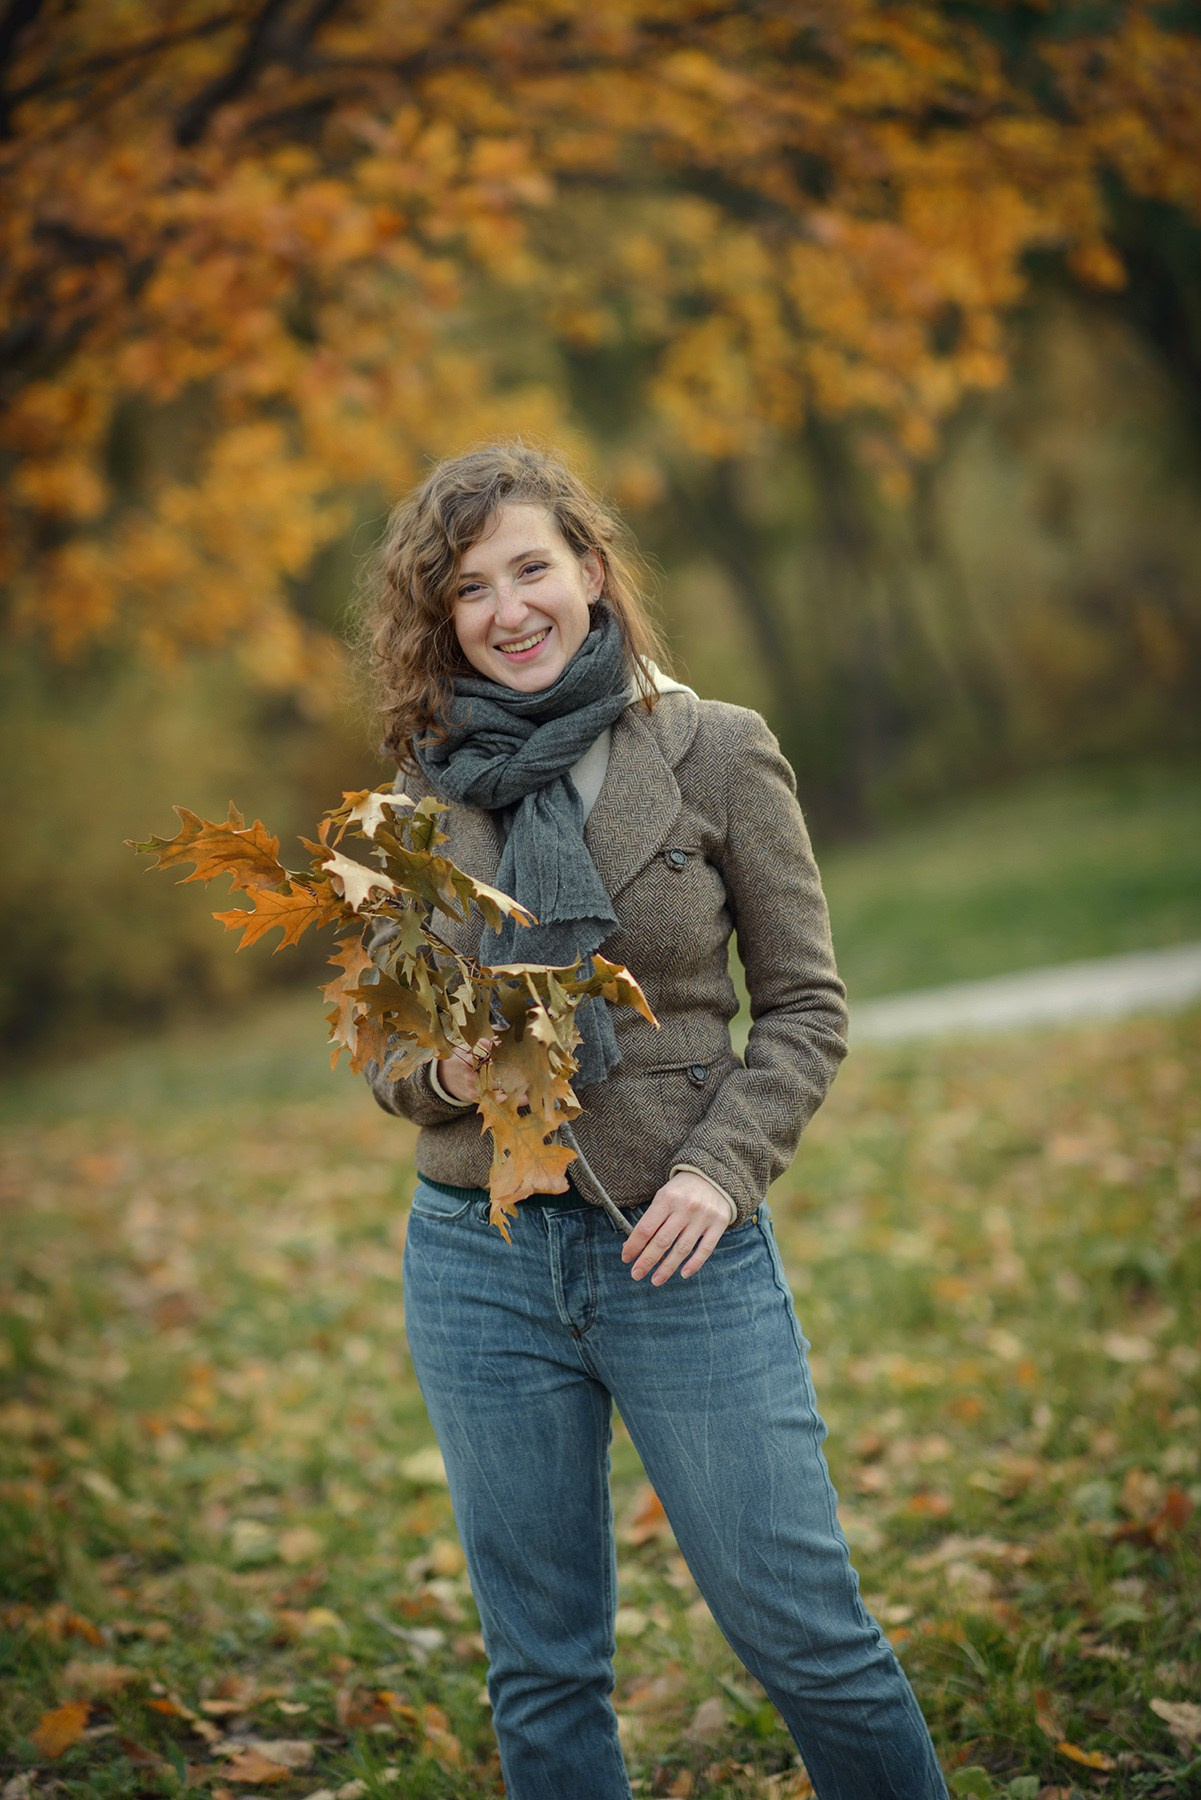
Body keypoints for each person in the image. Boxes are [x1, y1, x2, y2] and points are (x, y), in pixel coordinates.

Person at [360, 442, 948, 1800]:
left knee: (805, 1634)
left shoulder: (717, 749)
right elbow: (386, 1054)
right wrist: (452, 1076)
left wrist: (719, 1174)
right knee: (542, 1667)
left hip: (679, 1250)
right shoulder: (408, 804)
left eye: (530, 568)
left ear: (589, 570)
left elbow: (803, 1008)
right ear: (436, 621)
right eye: (468, 591)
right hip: (478, 1260)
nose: (508, 608)